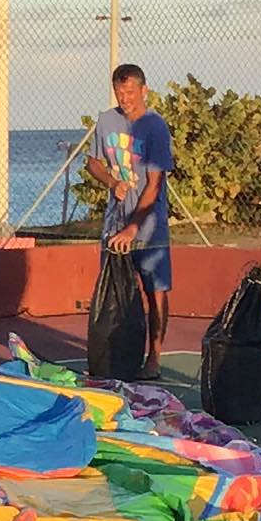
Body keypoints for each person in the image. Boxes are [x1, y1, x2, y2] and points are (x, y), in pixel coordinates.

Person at [81, 62, 174, 378]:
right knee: (116, 291)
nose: (126, 98)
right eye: (120, 92)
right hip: (113, 222)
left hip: (149, 227)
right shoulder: (106, 121)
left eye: (131, 92)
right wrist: (112, 182)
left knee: (155, 290)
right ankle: (114, 353)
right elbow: (92, 163)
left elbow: (155, 184)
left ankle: (154, 358)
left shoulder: (155, 128)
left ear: (144, 91)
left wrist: (134, 227)